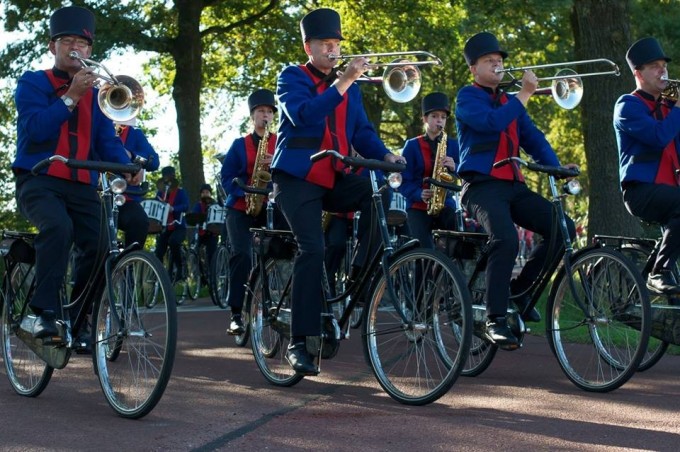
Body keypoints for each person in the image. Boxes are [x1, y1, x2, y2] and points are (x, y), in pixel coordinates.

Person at [271, 8, 405, 375]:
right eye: (325, 44)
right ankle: (299, 343)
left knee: (382, 196)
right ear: (308, 46)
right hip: (296, 178)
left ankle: (360, 278)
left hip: (334, 176)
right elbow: (305, 115)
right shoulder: (291, 77)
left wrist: (387, 154)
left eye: (336, 44)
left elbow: (361, 132)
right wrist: (343, 81)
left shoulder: (352, 88)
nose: (333, 50)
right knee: (311, 249)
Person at [12, 6, 141, 345]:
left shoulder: (99, 95)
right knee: (58, 227)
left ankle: (79, 317)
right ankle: (44, 314)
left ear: (90, 51)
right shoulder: (32, 83)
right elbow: (36, 130)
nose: (74, 48)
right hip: (38, 179)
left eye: (81, 44)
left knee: (101, 244)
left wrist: (127, 168)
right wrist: (71, 97)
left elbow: (106, 142)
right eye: (65, 41)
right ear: (51, 47)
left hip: (82, 183)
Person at [455, 32, 576, 349]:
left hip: (512, 184)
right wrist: (523, 94)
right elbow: (492, 123)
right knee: (505, 238)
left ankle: (520, 293)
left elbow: (534, 139)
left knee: (563, 228)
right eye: (489, 61)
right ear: (473, 69)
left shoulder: (511, 102)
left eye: (499, 61)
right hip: (481, 186)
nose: (497, 65)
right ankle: (494, 319)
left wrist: (558, 167)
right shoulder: (466, 97)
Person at [614, 37, 680, 294]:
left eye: (664, 65)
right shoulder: (627, 105)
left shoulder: (669, 107)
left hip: (670, 191)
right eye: (654, 66)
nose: (662, 70)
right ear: (638, 73)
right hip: (641, 191)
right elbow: (658, 137)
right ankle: (659, 271)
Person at [221, 88, 285, 335]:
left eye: (269, 112)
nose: (265, 116)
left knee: (284, 248)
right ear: (252, 116)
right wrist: (243, 193)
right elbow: (227, 178)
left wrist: (276, 164)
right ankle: (236, 313)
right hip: (240, 208)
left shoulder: (280, 143)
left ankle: (278, 300)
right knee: (242, 255)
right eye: (261, 111)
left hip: (269, 205)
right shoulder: (239, 145)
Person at [401, 92, 459, 248]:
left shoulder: (454, 145)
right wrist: (418, 193)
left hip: (445, 204)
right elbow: (403, 181)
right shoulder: (412, 146)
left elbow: (463, 179)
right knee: (423, 252)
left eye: (443, 117)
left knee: (450, 249)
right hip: (417, 206)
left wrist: (455, 168)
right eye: (434, 116)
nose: (439, 120)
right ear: (425, 119)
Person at [115, 118, 160, 248]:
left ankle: (130, 263)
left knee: (140, 222)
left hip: (126, 198)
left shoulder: (134, 133)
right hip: (97, 194)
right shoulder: (98, 124)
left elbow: (154, 162)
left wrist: (134, 158)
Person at [154, 166, 189, 281]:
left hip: (178, 226)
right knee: (158, 250)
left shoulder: (181, 192)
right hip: (165, 228)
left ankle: (179, 268)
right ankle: (158, 275)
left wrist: (174, 209)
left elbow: (186, 206)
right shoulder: (160, 193)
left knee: (174, 242)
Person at [189, 183, 219, 280]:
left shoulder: (215, 204)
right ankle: (201, 275)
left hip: (211, 234)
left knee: (212, 253)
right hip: (201, 233)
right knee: (194, 250)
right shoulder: (198, 205)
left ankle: (212, 275)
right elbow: (193, 216)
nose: (205, 194)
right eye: (203, 193)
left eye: (207, 192)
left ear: (210, 194)